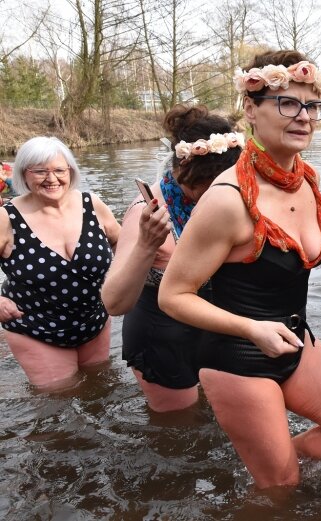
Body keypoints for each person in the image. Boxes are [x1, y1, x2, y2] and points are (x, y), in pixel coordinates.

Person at [158, 50, 321, 489]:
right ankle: (275, 475)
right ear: (250, 108)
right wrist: (252, 329)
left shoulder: (307, 178)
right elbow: (172, 296)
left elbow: (281, 253)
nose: (303, 116)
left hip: (292, 339)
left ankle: (282, 461)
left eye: (311, 105)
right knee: (279, 494)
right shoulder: (228, 199)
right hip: (237, 356)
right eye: (287, 103)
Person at [101, 104, 243, 413]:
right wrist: (146, 245)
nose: (211, 195)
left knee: (219, 417)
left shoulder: (233, 195)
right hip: (162, 336)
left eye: (220, 183)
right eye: (200, 185)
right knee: (178, 428)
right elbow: (113, 303)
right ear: (179, 170)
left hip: (214, 324)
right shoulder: (146, 210)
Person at [0, 136, 120, 389]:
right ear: (24, 174)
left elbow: (123, 244)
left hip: (93, 318)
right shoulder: (6, 217)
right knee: (59, 402)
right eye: (40, 171)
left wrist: (119, 276)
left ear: (71, 171)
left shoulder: (92, 204)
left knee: (100, 386)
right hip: (36, 326)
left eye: (58, 170)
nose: (51, 179)